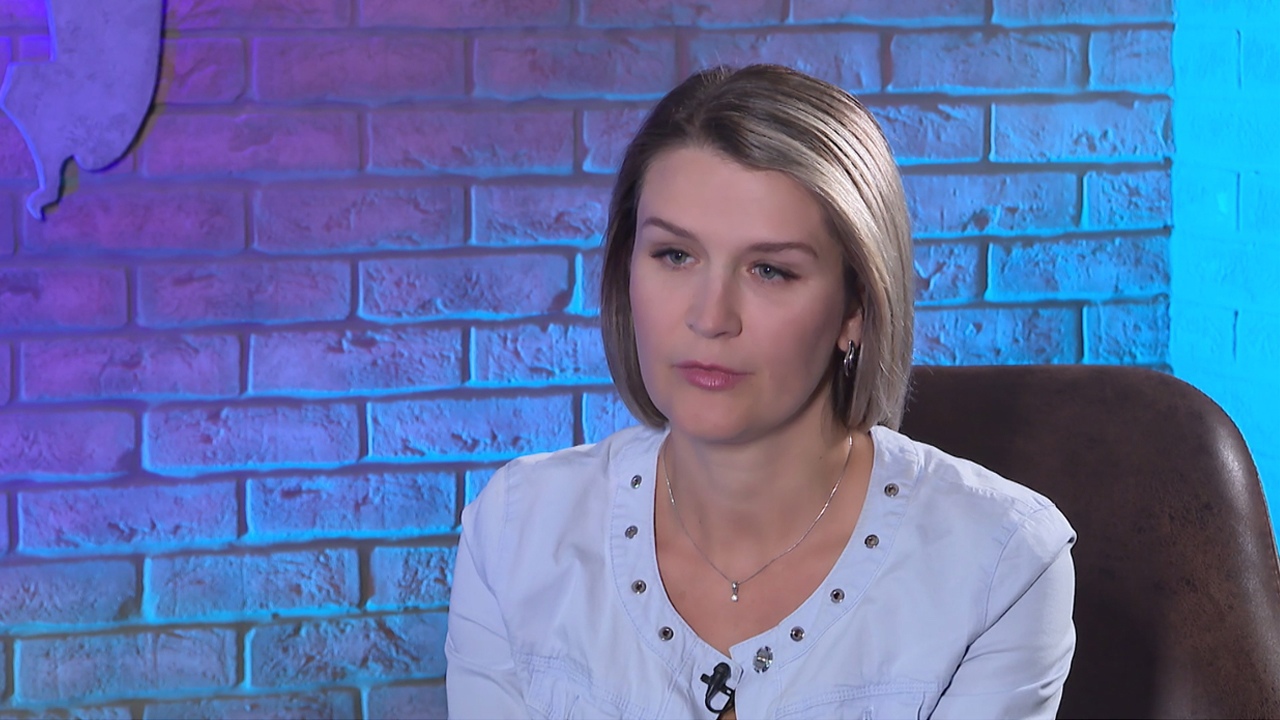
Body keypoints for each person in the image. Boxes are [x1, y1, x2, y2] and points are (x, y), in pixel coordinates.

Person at [445, 64, 1076, 719]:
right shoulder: (516, 531)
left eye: (769, 270)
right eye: (675, 256)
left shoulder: (1001, 565)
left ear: (856, 306)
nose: (710, 317)